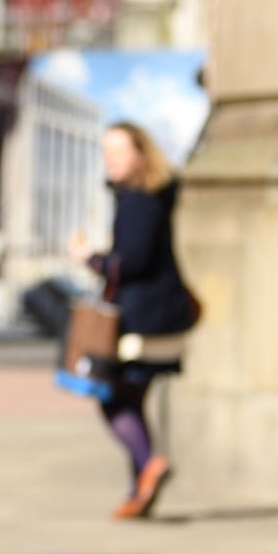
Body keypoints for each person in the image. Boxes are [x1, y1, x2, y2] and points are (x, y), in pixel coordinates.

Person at [65, 122, 198, 519]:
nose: (110, 159)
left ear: (141, 154)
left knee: (112, 399)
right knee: (131, 400)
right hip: (158, 315)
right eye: (106, 152)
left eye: (119, 152)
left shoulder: (139, 199)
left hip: (142, 320)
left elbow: (132, 261)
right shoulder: (150, 194)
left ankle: (149, 465)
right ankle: (139, 489)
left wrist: (90, 259)